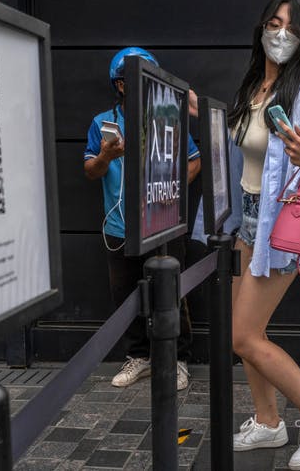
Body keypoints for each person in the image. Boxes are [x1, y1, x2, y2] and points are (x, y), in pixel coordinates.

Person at [222, 0, 300, 470]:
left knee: (243, 336)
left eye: (291, 28)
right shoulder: (254, 86)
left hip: (278, 228)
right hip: (247, 222)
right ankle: (269, 422)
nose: (279, 33)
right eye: (274, 22)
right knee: (253, 329)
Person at [83, 47, 202, 390]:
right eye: (129, 81)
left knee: (171, 293)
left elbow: (194, 160)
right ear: (119, 85)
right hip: (120, 226)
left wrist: (172, 193)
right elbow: (90, 170)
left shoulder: (167, 117)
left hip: (164, 224)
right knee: (125, 296)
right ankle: (140, 356)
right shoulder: (102, 123)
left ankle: (176, 359)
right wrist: (106, 156)